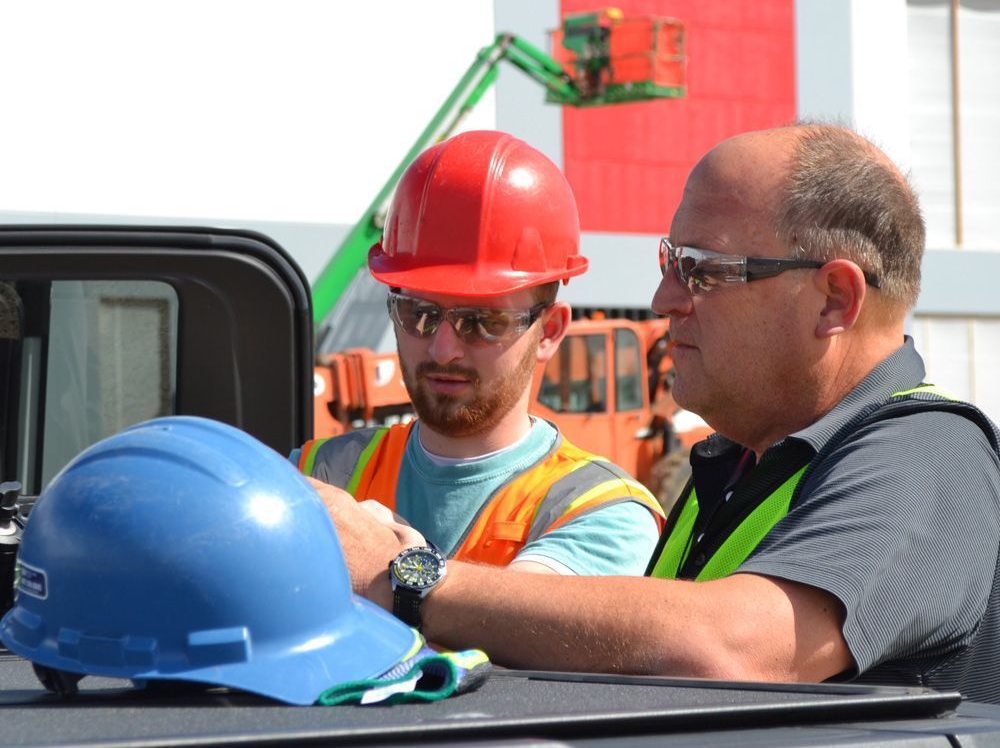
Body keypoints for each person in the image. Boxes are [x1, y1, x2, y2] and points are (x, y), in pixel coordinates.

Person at [316, 123, 1000, 704]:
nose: (662, 299)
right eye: (671, 262)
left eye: (702, 270)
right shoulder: (735, 471)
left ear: (834, 300)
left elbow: (732, 649)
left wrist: (407, 577)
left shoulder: (929, 454)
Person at [297, 129, 665, 602]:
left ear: (549, 331)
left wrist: (394, 574)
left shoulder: (602, 510)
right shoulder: (321, 469)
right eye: (419, 314)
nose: (443, 348)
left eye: (483, 321)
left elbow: (519, 631)